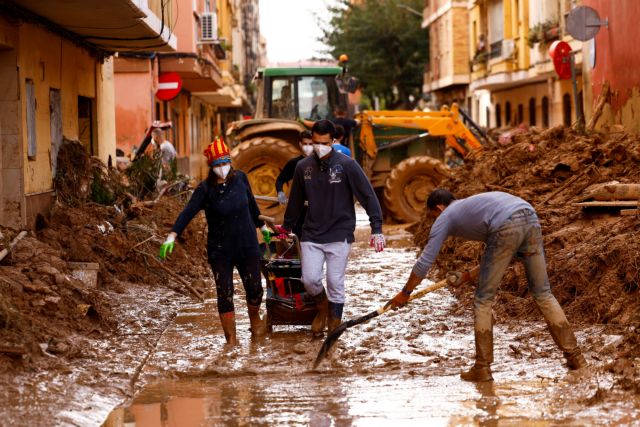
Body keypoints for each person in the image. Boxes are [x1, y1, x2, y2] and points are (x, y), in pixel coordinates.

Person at [388, 189, 587, 381]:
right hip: (529, 216)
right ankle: (575, 357)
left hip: (506, 224)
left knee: (483, 300)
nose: (435, 220)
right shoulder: (474, 206)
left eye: (433, 216)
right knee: (543, 293)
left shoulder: (445, 216)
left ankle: (482, 368)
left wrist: (405, 292)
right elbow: (503, 252)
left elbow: (424, 262)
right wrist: (468, 276)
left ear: (439, 208)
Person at [275, 120, 385, 336]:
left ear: (333, 141)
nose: (318, 147)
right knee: (309, 279)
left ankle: (334, 324)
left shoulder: (347, 165)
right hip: (312, 233)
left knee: (335, 282)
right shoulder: (302, 167)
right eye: (315, 142)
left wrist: (377, 227)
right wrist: (286, 228)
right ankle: (322, 308)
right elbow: (295, 201)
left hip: (339, 233)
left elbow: (367, 196)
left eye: (324, 143)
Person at [159, 137, 269, 346]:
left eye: (225, 162)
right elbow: (188, 212)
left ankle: (255, 319)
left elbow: (252, 206)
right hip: (221, 250)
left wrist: (263, 228)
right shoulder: (205, 189)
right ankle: (231, 341)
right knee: (224, 293)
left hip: (247, 244)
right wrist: (172, 235)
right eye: (218, 164)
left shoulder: (241, 179)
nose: (222, 167)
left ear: (230, 161)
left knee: (255, 288)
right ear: (211, 166)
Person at [275, 130, 313, 236]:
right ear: (300, 144)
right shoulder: (294, 164)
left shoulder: (320, 163)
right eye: (305, 144)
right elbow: (280, 180)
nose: (308, 147)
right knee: (299, 238)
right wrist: (280, 192)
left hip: (317, 209)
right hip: (299, 209)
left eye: (310, 144)